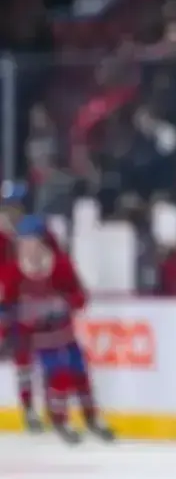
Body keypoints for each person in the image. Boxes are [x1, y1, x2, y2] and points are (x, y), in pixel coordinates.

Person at [0, 216, 115, 444]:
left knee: (80, 374)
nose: (27, 247)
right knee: (55, 375)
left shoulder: (60, 265)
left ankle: (91, 417)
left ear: (42, 241)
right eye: (23, 242)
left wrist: (65, 303)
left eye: (31, 241)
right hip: (36, 336)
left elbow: (79, 296)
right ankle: (56, 418)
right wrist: (6, 330)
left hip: (64, 333)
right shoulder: (13, 270)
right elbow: (6, 305)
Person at [0, 181, 66, 432]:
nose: (10, 211)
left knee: (49, 358)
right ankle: (29, 410)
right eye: (7, 206)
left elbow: (57, 261)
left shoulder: (40, 231)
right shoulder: (3, 235)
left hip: (40, 303)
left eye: (14, 205)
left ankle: (53, 409)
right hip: (14, 305)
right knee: (23, 361)